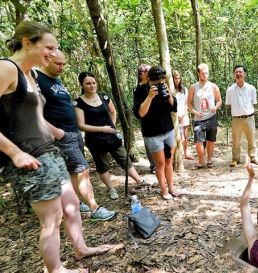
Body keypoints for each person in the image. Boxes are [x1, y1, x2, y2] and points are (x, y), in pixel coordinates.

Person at [0, 21, 112, 273]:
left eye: (56, 47)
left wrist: (56, 131)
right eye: (48, 47)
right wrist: (14, 153)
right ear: (27, 43)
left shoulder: (30, 75)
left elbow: (32, 116)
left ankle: (80, 248)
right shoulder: (6, 68)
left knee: (72, 207)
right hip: (28, 156)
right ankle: (56, 269)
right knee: (51, 219)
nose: (53, 53)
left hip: (49, 150)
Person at [37, 50, 116, 220]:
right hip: (62, 136)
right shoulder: (37, 79)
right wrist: (57, 133)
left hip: (73, 133)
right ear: (45, 60)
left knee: (75, 172)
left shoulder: (55, 81)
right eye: (58, 64)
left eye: (64, 64)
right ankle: (95, 209)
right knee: (83, 170)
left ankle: (76, 203)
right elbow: (32, 112)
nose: (62, 67)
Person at [74, 71, 149, 200]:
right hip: (95, 139)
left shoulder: (104, 96)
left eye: (93, 83)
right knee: (102, 165)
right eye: (88, 83)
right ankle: (111, 189)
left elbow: (113, 111)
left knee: (123, 158)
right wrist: (101, 129)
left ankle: (139, 180)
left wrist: (112, 126)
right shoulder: (78, 103)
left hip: (111, 136)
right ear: (82, 84)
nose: (92, 86)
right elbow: (81, 125)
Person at [133, 65, 180, 200]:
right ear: (149, 79)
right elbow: (140, 113)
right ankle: (163, 190)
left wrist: (169, 94)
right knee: (160, 164)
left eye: (161, 79)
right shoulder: (141, 90)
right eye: (155, 80)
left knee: (169, 161)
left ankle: (171, 188)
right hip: (153, 134)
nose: (158, 82)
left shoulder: (164, 87)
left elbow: (174, 107)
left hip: (168, 130)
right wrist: (149, 97)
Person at [226, 65, 258, 167]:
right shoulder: (230, 90)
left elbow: (254, 103)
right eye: (236, 72)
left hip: (249, 118)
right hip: (236, 119)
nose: (238, 74)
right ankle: (235, 159)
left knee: (252, 139)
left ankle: (254, 157)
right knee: (236, 141)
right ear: (234, 74)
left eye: (240, 72)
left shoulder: (251, 88)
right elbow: (228, 105)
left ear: (244, 74)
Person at [187, 63, 222, 169]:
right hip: (199, 118)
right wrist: (195, 112)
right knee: (199, 141)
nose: (205, 75)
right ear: (198, 73)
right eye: (203, 73)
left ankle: (210, 160)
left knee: (211, 140)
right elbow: (188, 103)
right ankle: (201, 161)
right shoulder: (193, 87)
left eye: (206, 73)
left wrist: (216, 107)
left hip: (211, 117)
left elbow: (219, 100)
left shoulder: (213, 86)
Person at [134, 64, 156, 174]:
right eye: (145, 71)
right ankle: (153, 165)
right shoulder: (138, 88)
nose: (147, 73)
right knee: (148, 142)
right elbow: (137, 109)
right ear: (141, 74)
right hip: (145, 119)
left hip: (157, 117)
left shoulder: (153, 84)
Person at [173, 70, 194, 160]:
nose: (177, 80)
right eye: (175, 78)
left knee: (185, 136)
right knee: (174, 136)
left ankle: (186, 153)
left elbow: (187, 103)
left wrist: (183, 114)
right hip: (174, 116)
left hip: (184, 115)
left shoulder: (184, 90)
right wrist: (176, 115)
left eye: (178, 78)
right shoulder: (170, 90)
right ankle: (176, 155)